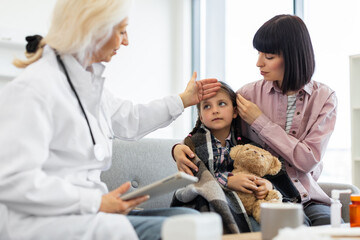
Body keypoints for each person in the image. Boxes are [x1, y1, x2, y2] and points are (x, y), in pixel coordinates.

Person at [0, 0, 221, 239]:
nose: (126, 41)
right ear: (94, 28)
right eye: (121, 31)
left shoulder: (87, 87)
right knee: (182, 232)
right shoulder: (34, 88)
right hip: (51, 221)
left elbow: (132, 120)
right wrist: (94, 202)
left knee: (189, 221)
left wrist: (183, 100)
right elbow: (13, 180)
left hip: (90, 213)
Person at [173, 14, 337, 227]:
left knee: (333, 228)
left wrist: (260, 121)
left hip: (308, 197)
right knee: (295, 229)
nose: (258, 63)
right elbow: (213, 137)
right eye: (259, 53)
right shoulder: (246, 95)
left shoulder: (324, 98)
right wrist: (177, 148)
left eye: (268, 56)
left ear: (293, 57)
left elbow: (307, 160)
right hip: (263, 196)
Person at [174, 81, 272, 231]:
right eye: (207, 106)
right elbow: (196, 180)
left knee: (264, 225)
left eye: (221, 104)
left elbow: (262, 171)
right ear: (200, 116)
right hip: (205, 201)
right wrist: (228, 181)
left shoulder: (246, 146)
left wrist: (266, 185)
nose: (215, 110)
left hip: (244, 203)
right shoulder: (192, 144)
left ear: (234, 112)